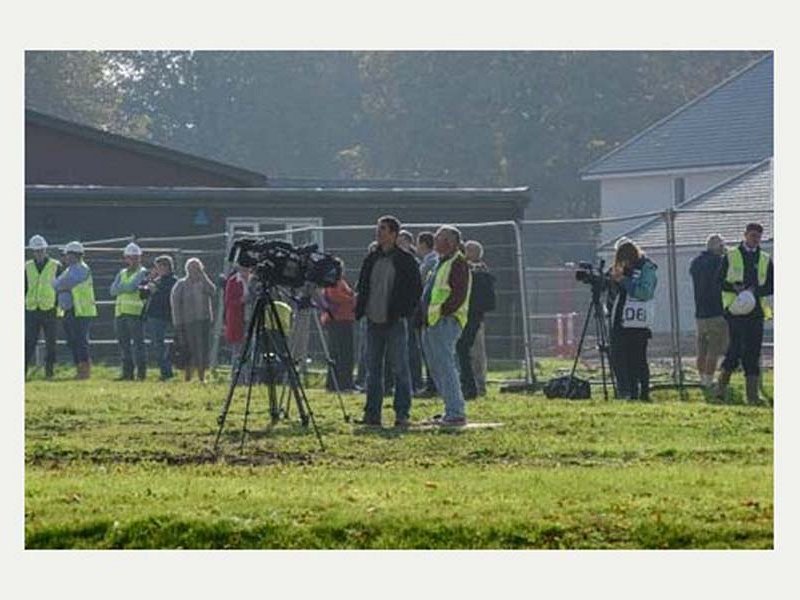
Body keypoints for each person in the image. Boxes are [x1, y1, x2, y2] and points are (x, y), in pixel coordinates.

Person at [355, 215, 423, 427]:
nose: (379, 232)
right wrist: (361, 310)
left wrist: (404, 312)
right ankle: (372, 414)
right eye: (378, 228)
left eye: (383, 229)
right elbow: (363, 286)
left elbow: (415, 290)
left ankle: (402, 413)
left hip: (394, 322)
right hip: (373, 321)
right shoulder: (371, 259)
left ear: (393, 233)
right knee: (372, 369)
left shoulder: (405, 260)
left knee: (400, 368)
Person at [716, 223, 774, 405]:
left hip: (755, 311)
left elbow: (771, 285)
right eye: (752, 235)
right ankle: (720, 389)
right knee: (736, 349)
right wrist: (735, 287)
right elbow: (718, 281)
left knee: (753, 351)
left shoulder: (764, 258)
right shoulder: (731, 255)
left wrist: (755, 291)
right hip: (735, 310)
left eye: (757, 236)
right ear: (745, 235)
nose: (754, 239)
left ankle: (752, 396)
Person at [421, 225, 472, 425]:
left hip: (446, 321)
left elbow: (457, 294)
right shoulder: (441, 263)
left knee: (445, 366)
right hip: (432, 322)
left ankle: (456, 412)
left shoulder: (458, 263)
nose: (435, 241)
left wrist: (442, 312)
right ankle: (449, 409)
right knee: (436, 368)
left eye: (439, 238)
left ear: (449, 242)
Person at [608, 239, 658, 400]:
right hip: (620, 320)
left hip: (638, 322)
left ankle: (643, 393)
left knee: (638, 359)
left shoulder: (647, 268)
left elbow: (645, 293)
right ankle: (626, 391)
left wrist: (623, 280)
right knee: (619, 357)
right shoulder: (619, 271)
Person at [52, 241, 97, 379]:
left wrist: (59, 285)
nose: (65, 257)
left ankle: (84, 370)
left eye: (67, 255)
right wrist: (59, 285)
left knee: (80, 340)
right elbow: (57, 284)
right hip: (71, 310)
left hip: (81, 310)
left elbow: (61, 283)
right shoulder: (69, 269)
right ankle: (80, 367)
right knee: (72, 340)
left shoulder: (80, 268)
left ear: (74, 255)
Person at [457, 240, 495, 400]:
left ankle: (478, 385)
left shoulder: (479, 272)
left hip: (473, 316)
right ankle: (471, 384)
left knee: (476, 351)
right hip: (470, 315)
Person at [689, 235, 728, 390]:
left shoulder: (695, 263)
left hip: (700, 312)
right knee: (714, 348)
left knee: (701, 348)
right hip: (716, 311)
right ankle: (708, 379)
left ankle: (701, 377)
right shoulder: (719, 262)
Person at [170, 257, 217, 383]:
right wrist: (178, 323)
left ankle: (201, 376)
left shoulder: (203, 283)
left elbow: (213, 291)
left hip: (204, 321)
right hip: (187, 322)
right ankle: (188, 376)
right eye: (191, 268)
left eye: (197, 268)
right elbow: (175, 305)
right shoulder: (181, 284)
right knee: (189, 349)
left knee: (202, 349)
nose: (194, 271)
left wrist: (204, 276)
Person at [25, 235, 63, 379]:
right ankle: (23, 371)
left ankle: (49, 372)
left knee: (51, 344)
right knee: (28, 342)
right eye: (36, 251)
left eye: (41, 250)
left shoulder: (56, 265)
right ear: (32, 251)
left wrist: (58, 306)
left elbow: (60, 288)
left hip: (49, 309)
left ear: (45, 249)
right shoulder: (26, 267)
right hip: (31, 310)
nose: (39, 253)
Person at [110, 243, 149, 381]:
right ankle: (127, 373)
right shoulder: (121, 273)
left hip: (135, 313)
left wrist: (121, 287)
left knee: (138, 344)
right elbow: (112, 291)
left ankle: (141, 373)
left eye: (136, 258)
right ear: (126, 258)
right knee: (124, 345)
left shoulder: (143, 272)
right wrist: (124, 287)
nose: (133, 260)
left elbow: (132, 287)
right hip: (120, 313)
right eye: (130, 258)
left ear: (140, 258)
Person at [320, 258, 356, 392]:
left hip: (343, 319)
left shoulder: (340, 282)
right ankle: (340, 383)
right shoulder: (333, 283)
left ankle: (344, 381)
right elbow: (336, 297)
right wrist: (354, 299)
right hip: (338, 320)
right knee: (340, 353)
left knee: (344, 352)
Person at [140, 255, 177, 381]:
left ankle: (166, 372)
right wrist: (147, 281)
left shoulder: (172, 281)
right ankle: (164, 371)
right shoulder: (156, 280)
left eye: (159, 266)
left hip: (162, 316)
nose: (157, 269)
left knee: (160, 345)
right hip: (152, 315)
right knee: (156, 344)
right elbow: (142, 294)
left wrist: (156, 290)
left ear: (166, 267)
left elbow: (167, 297)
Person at [415, 231, 438, 397]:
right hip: (429, 310)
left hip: (428, 311)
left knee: (429, 350)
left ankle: (433, 385)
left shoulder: (430, 262)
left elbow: (420, 283)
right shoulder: (429, 261)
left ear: (423, 244)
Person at [223, 264, 251, 383]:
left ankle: (249, 378)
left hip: (251, 317)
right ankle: (237, 378)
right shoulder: (233, 281)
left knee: (250, 349)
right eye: (243, 269)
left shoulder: (254, 280)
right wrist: (240, 301)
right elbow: (228, 301)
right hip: (238, 319)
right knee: (238, 350)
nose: (245, 271)